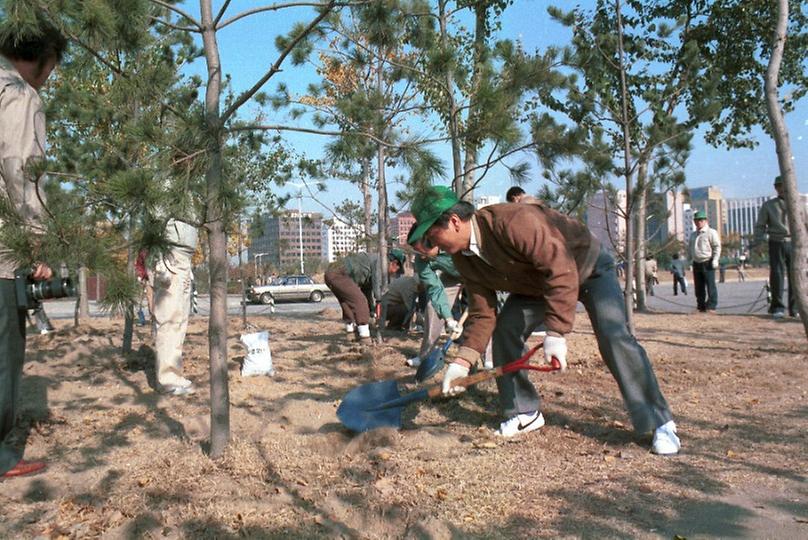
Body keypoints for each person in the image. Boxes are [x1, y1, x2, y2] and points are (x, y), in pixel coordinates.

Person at [408, 186, 679, 454]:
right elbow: (482, 312)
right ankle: (524, 411)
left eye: (433, 236)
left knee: (614, 336)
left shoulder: (513, 221)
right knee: (505, 331)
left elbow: (560, 268)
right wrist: (462, 361)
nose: (433, 245)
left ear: (454, 221)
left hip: (587, 268)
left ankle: (660, 422)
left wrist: (556, 333)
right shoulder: (463, 258)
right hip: (537, 286)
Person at [0, 22, 67, 479]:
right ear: (40, 59)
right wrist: (35, 243)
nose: (47, 80)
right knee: (4, 359)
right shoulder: (18, 94)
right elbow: (22, 170)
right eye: (50, 70)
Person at [151, 220, 198, 396]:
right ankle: (167, 379)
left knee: (179, 323)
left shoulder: (189, 194)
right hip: (171, 257)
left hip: (183, 259)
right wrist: (160, 263)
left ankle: (174, 375)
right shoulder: (166, 192)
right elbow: (155, 222)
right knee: (169, 320)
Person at [406, 229, 463, 368]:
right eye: (417, 252)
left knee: (483, 310)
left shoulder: (452, 240)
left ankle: (489, 359)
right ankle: (425, 356)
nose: (422, 256)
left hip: (477, 272)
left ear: (432, 241)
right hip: (452, 276)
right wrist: (448, 319)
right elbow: (435, 288)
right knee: (433, 308)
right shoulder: (421, 261)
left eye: (423, 251)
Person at [324, 249, 404, 343]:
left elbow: (367, 292)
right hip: (338, 273)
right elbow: (377, 286)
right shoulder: (380, 261)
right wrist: (379, 301)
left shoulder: (370, 265)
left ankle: (350, 333)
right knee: (360, 301)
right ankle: (364, 338)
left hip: (331, 273)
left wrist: (371, 312)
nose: (394, 273)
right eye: (396, 270)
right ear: (394, 263)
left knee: (347, 302)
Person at [754, 176, 796, 318]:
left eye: (784, 186)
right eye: (778, 186)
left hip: (795, 243)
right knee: (777, 275)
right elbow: (760, 225)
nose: (782, 189)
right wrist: (759, 241)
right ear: (775, 188)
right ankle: (777, 307)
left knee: (796, 275)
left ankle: (795, 308)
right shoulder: (769, 205)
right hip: (776, 241)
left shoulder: (799, 202)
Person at [688, 210, 720, 313]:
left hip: (707, 262)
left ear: (706, 221)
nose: (698, 222)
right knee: (699, 287)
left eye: (701, 220)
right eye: (696, 220)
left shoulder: (711, 232)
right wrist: (690, 260)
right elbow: (690, 248)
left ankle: (711, 306)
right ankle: (700, 307)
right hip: (696, 262)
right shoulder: (693, 234)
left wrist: (715, 259)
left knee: (710, 286)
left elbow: (717, 247)